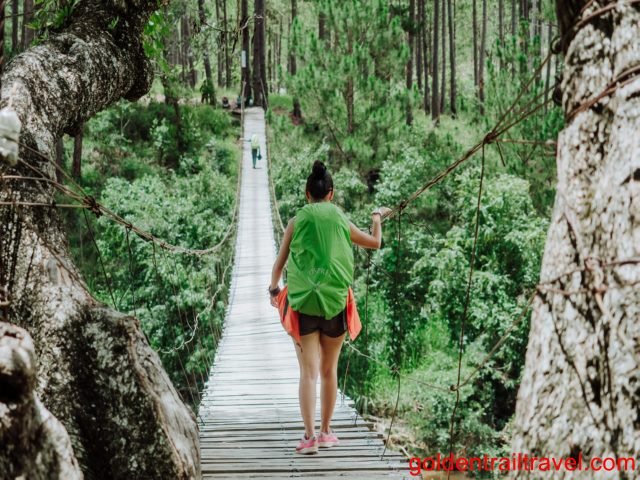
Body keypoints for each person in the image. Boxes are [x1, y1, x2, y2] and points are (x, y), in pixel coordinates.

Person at [269, 160, 390, 455]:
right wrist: (376, 217)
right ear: (331, 194)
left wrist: (274, 290)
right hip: (336, 303)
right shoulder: (339, 218)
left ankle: (309, 438)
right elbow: (375, 243)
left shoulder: (296, 221)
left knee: (308, 373)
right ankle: (326, 432)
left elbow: (279, 264)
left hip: (304, 305)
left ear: (307, 193)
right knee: (328, 370)